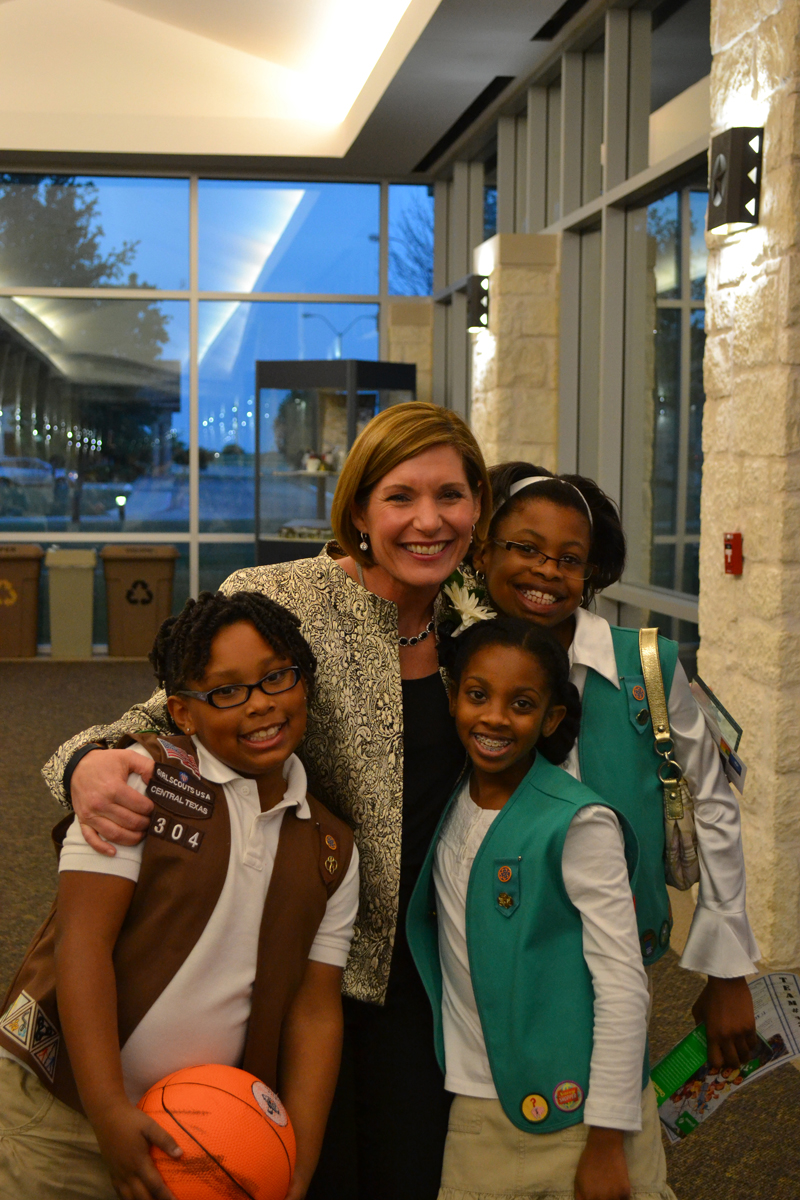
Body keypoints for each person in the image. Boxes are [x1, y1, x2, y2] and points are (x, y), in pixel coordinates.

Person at [38, 402, 492, 1200]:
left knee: (406, 1172)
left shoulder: (481, 627)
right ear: (357, 508)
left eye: (451, 495)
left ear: (478, 505)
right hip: (289, 966)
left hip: (424, 976)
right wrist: (85, 764)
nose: (429, 520)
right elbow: (156, 718)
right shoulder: (287, 596)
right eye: (401, 497)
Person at [0, 591, 358, 1200]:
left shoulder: (330, 846)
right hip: (64, 1115)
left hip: (204, 1139)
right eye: (226, 691)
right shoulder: (139, 778)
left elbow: (315, 1010)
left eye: (277, 677)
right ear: (183, 714)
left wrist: (301, 1150)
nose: (261, 703)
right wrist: (109, 1110)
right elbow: (82, 944)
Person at [463, 462, 760, 1070]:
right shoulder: (451, 660)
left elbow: (714, 803)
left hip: (617, 947)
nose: (547, 570)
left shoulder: (646, 668)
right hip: (478, 944)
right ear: (482, 553)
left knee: (611, 1093)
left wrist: (728, 970)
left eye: (570, 558)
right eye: (525, 548)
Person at [406, 616, 677, 1200]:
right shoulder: (449, 802)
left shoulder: (579, 823)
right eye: (478, 695)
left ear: (552, 718)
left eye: (522, 703)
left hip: (583, 1115)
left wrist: (607, 1140)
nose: (496, 717)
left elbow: (624, 986)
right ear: (453, 697)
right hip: (480, 1103)